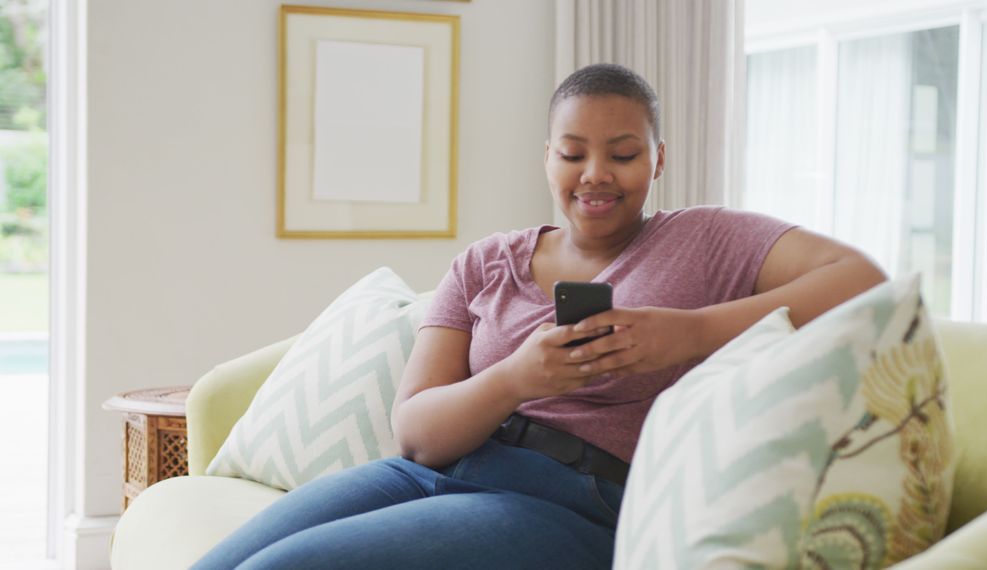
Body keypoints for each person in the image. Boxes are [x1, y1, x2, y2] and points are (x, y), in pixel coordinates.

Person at [193, 63, 886, 569]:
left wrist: (691, 332)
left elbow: (863, 281)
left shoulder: (705, 239)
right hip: (442, 473)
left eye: (623, 153)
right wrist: (517, 378)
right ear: (546, 158)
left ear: (659, 159)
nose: (596, 174)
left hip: (572, 505)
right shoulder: (485, 263)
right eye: (574, 152)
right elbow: (416, 434)